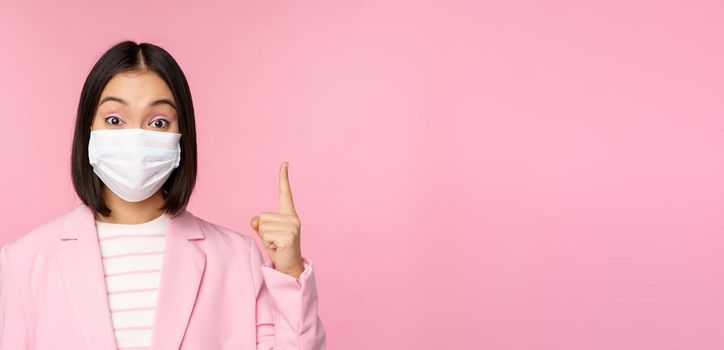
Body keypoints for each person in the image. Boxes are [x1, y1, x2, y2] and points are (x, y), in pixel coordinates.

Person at [0, 40, 326, 349]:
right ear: (88, 133)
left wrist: (289, 272)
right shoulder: (22, 262)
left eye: (158, 122)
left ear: (181, 138)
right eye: (115, 120)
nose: (137, 137)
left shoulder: (237, 259)